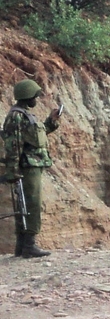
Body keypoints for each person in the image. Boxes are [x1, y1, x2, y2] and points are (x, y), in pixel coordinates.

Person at [1, 79, 61, 258]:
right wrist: (13, 170)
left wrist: (51, 121)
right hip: (26, 167)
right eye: (35, 96)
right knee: (30, 204)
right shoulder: (16, 116)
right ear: (27, 96)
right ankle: (29, 245)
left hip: (31, 166)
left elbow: (36, 137)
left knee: (26, 204)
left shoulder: (25, 115)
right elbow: (13, 145)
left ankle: (22, 247)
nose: (37, 99)